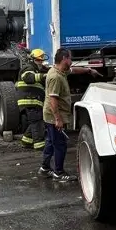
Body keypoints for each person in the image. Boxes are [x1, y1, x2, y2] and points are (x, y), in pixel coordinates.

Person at [41, 49, 75, 182]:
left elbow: (73, 70)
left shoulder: (59, 71)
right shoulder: (55, 77)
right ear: (65, 59)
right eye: (70, 59)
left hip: (50, 115)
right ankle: (58, 173)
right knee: (60, 144)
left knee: (50, 141)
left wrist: (89, 70)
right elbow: (53, 99)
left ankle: (45, 168)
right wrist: (58, 119)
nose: (71, 61)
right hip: (53, 116)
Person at [17, 49, 49, 152]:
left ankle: (26, 141)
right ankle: (39, 145)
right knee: (37, 122)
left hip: (33, 101)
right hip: (29, 100)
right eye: (39, 60)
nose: (41, 62)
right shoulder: (28, 68)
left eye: (41, 60)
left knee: (34, 122)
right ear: (33, 59)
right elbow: (28, 78)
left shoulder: (37, 69)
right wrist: (43, 76)